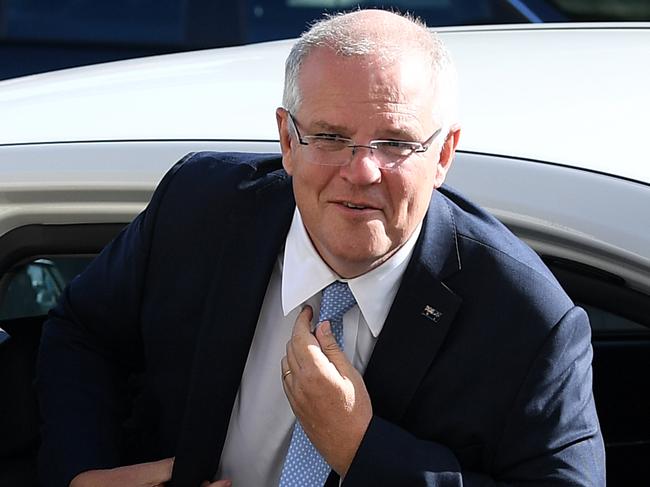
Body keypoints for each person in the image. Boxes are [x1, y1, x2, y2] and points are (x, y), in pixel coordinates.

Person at [37, 9, 605, 487]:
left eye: (395, 144)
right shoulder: (199, 210)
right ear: (287, 140)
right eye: (330, 137)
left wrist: (364, 450)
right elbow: (82, 332)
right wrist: (83, 472)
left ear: (445, 154)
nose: (361, 171)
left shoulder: (528, 320)